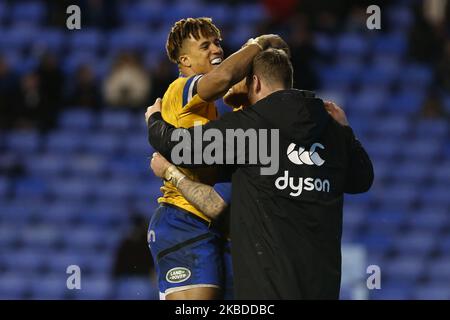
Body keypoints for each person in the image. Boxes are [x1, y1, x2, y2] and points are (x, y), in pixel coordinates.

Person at [145, 48, 374, 299]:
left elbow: (178, 147)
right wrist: (346, 131)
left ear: (254, 82)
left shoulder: (252, 128)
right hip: (322, 289)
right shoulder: (330, 130)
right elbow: (362, 180)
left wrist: (154, 118)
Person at [146, 17, 288, 300]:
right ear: (185, 61)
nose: (216, 50)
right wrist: (257, 43)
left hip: (215, 225)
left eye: (217, 43)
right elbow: (223, 77)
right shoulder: (181, 89)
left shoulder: (219, 116)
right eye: (205, 45)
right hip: (183, 220)